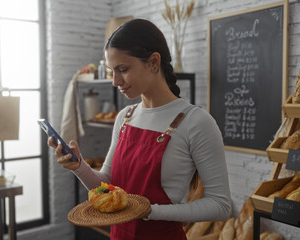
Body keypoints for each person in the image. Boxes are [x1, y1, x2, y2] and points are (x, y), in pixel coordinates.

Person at [49, 19, 232, 240]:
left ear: (154, 62)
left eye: (123, 69)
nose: (115, 81)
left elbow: (220, 205)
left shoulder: (196, 122)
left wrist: (150, 211)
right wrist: (78, 166)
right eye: (112, 71)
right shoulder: (125, 118)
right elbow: (107, 184)